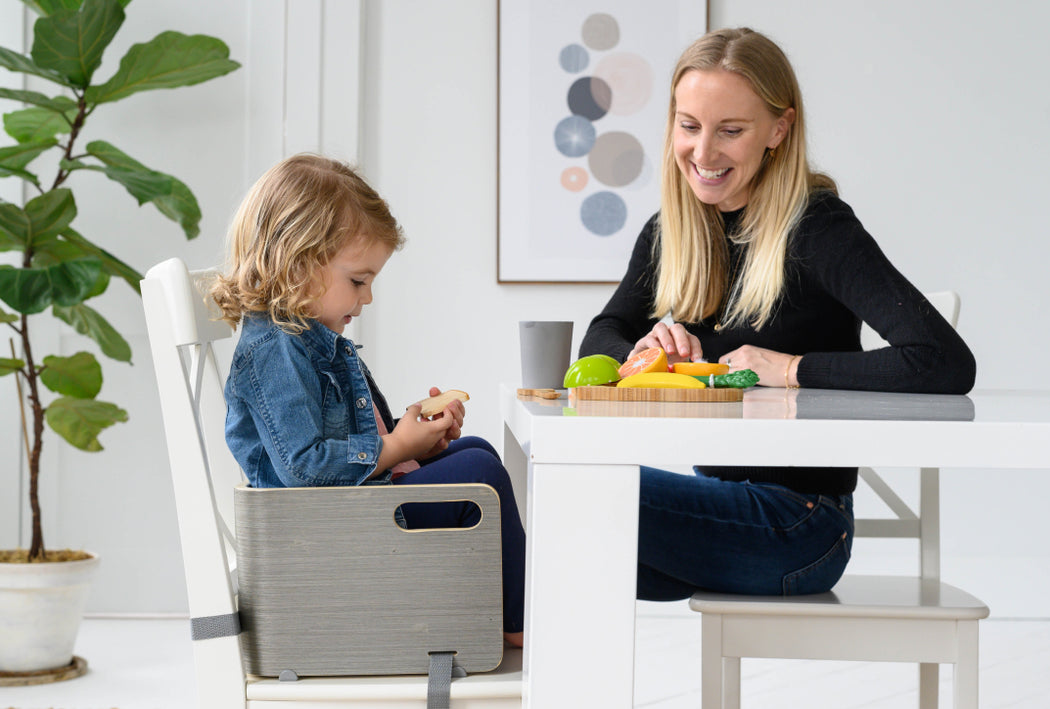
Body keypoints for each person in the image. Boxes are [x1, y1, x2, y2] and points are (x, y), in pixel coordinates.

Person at [579, 28, 976, 601]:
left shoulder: (818, 227)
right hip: (727, 511)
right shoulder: (676, 232)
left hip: (801, 526)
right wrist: (643, 349)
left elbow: (944, 362)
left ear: (779, 129)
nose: (703, 152)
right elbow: (602, 335)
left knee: (576, 492)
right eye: (689, 126)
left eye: (731, 131)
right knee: (561, 544)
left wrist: (790, 369)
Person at [209, 154, 524, 646]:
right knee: (482, 476)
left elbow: (358, 438)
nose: (368, 298)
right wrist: (398, 448)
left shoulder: (314, 338)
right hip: (326, 533)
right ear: (297, 264)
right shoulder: (275, 349)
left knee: (476, 452)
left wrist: (418, 435)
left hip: (351, 506)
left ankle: (500, 611)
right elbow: (305, 468)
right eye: (358, 281)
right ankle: (519, 621)